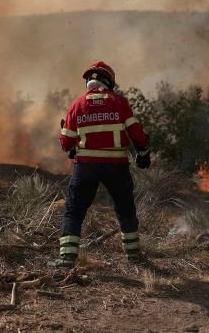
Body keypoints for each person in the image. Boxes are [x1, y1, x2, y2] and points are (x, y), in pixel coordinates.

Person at [55, 61, 151, 268]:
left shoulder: (77, 105)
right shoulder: (120, 103)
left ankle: (66, 260)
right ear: (109, 81)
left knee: (74, 211)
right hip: (116, 166)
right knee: (125, 208)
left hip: (86, 167)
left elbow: (66, 143)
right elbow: (137, 134)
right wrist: (143, 153)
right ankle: (134, 257)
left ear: (88, 81)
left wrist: (68, 140)